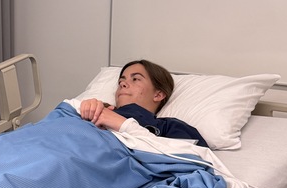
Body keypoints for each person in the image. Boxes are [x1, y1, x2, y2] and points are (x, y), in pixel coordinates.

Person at [79, 59, 209, 147]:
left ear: (158, 94)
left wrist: (124, 126)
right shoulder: (98, 108)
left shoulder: (168, 127)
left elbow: (197, 158)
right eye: (120, 82)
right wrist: (84, 108)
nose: (123, 83)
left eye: (135, 79)